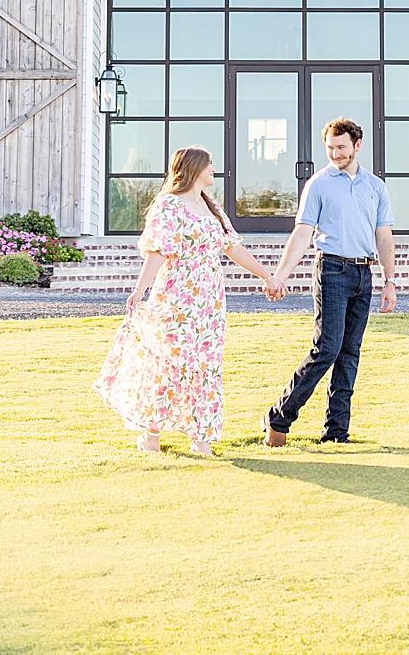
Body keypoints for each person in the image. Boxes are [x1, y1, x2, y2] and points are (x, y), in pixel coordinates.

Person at [95, 145, 284, 456]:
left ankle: (200, 436)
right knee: (170, 363)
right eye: (209, 164)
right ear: (195, 168)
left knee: (205, 364)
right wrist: (140, 290)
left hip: (209, 301)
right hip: (176, 295)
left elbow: (233, 248)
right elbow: (157, 251)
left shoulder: (212, 208)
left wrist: (267, 276)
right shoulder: (168, 206)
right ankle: (150, 433)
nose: (214, 169)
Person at [262, 117, 396, 447]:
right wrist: (280, 274)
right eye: (330, 148)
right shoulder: (319, 184)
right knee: (327, 349)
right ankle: (279, 416)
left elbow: (384, 236)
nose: (335, 154)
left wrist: (389, 280)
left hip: (363, 276)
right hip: (332, 271)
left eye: (341, 147)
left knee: (349, 354)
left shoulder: (375, 187)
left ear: (357, 146)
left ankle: (336, 433)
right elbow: (303, 232)